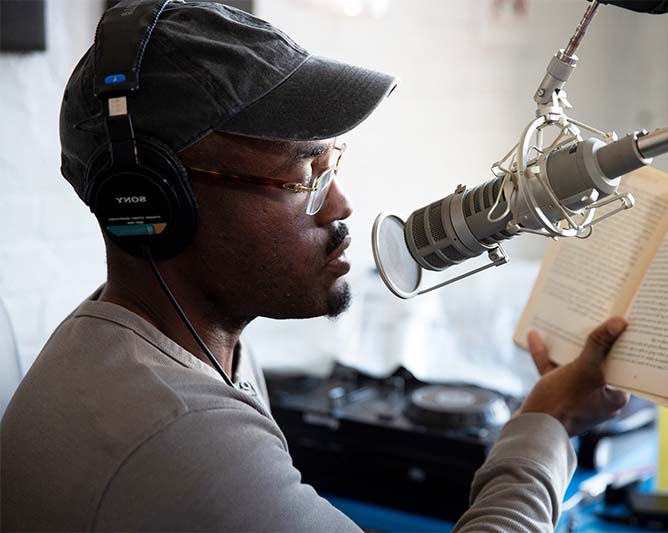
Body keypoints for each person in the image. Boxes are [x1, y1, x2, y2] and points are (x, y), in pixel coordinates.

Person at [0, 2, 629, 531]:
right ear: (157, 200)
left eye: (330, 166)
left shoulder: (138, 341)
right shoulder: (178, 434)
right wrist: (549, 423)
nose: (340, 203)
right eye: (303, 175)